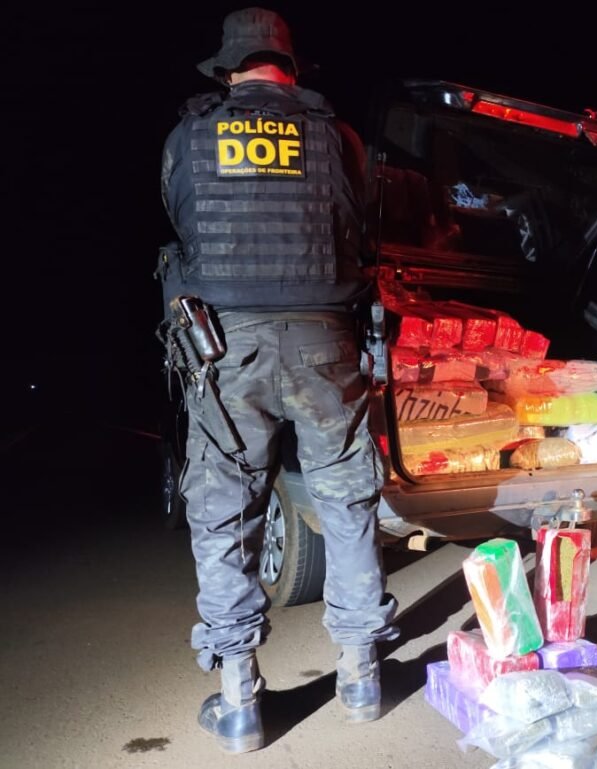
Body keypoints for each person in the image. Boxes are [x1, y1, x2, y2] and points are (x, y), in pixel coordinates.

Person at [159, 7, 397, 753]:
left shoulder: (190, 135)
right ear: (290, 69)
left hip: (226, 348)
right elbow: (358, 228)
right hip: (327, 342)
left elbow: (180, 222)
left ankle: (239, 702)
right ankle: (360, 679)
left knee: (225, 513)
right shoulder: (338, 136)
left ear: (230, 69)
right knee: (347, 501)